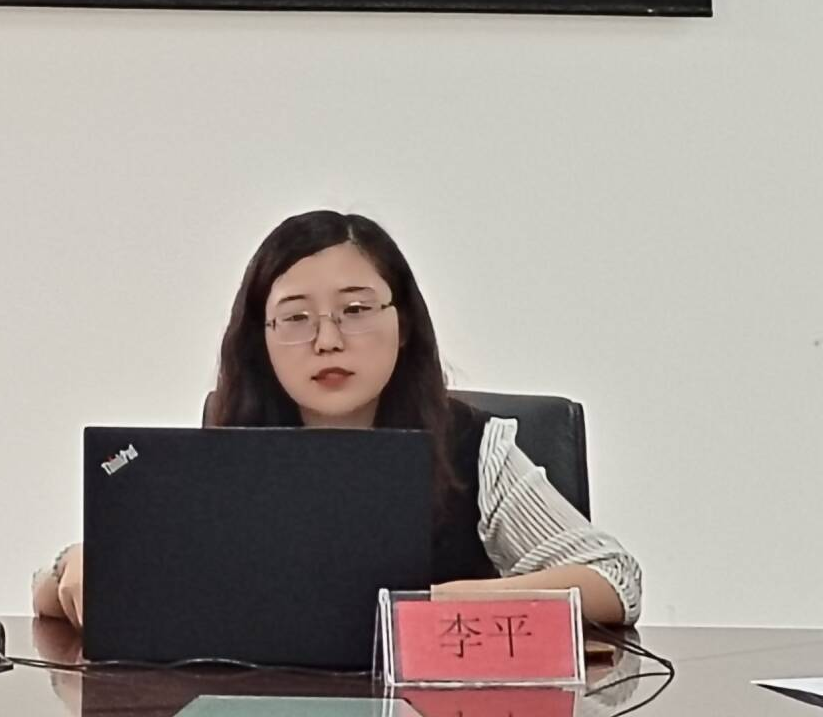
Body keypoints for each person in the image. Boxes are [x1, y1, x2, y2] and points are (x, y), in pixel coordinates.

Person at [33, 210, 642, 630]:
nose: (328, 340)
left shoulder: (474, 446)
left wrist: (439, 605)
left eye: (355, 310)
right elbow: (54, 589)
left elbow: (615, 579)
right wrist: (81, 560)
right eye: (296, 318)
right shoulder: (227, 448)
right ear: (261, 340)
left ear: (404, 325)